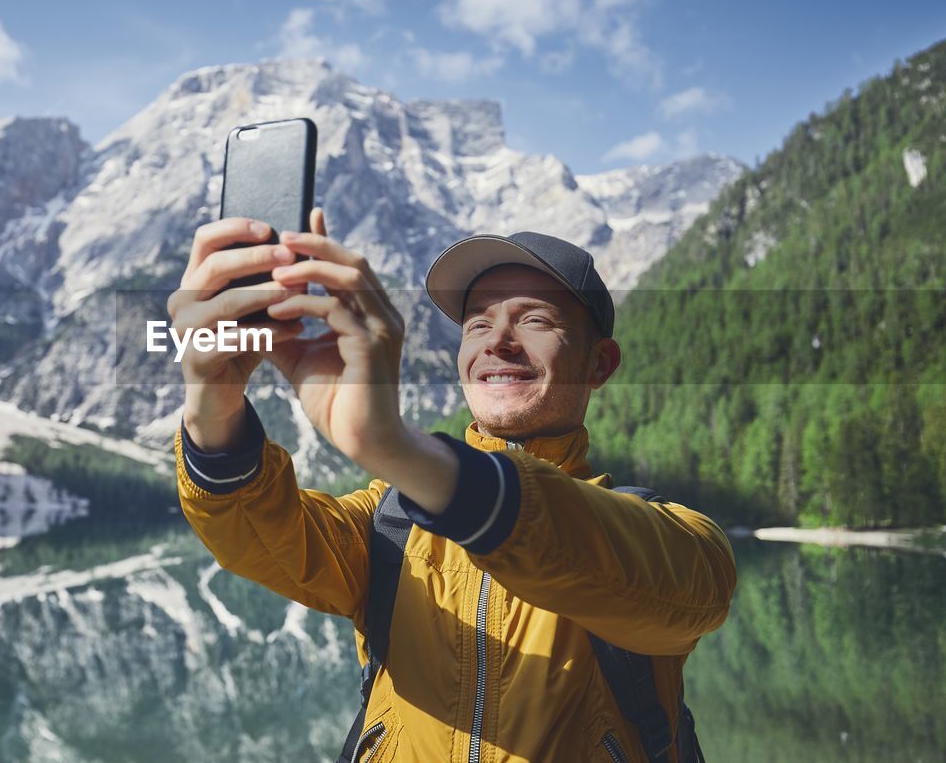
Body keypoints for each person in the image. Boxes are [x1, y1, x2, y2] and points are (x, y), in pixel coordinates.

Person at [167, 207, 737, 763]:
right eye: (477, 324)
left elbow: (630, 567)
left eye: (534, 319)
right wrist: (212, 414)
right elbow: (257, 532)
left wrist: (399, 449)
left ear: (600, 364)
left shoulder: (677, 541)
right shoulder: (386, 523)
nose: (498, 341)